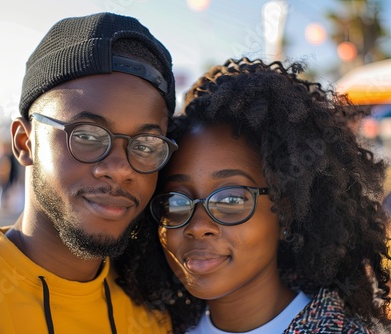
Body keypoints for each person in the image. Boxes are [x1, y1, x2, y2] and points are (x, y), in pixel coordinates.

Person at [0, 12, 178, 333]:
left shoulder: (154, 308)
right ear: (25, 142)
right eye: (86, 135)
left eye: (145, 144)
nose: (120, 169)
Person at [116, 58, 391, 333]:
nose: (198, 227)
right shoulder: (153, 324)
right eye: (176, 201)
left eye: (230, 200)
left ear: (285, 211)